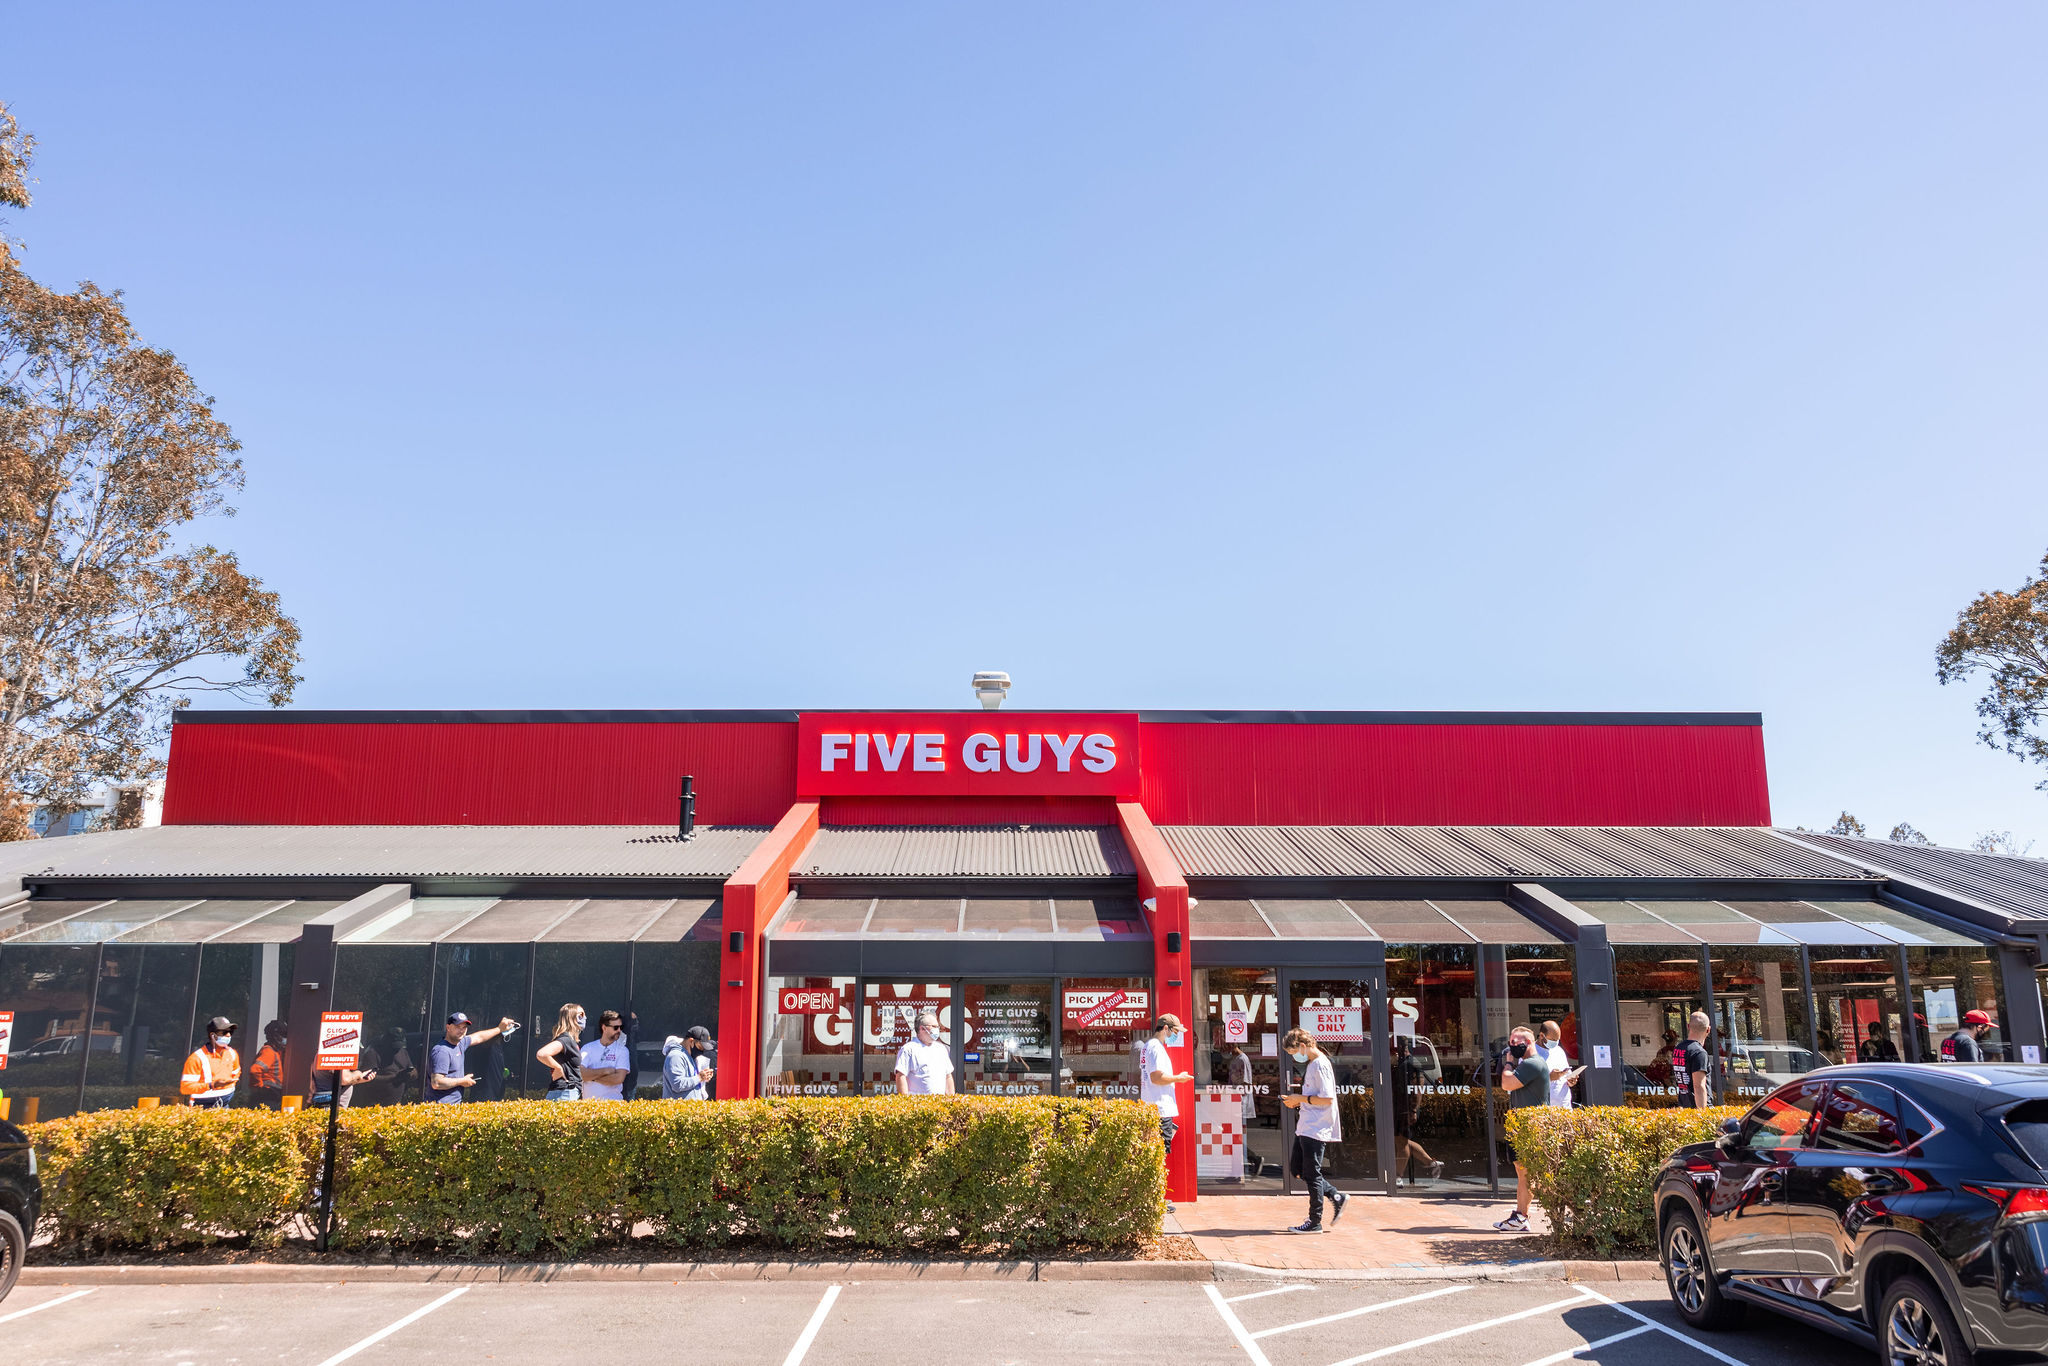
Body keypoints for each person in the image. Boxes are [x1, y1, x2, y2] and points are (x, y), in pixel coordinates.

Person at [1280, 1027, 1346, 1233]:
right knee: (1297, 1168)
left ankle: (1314, 1220)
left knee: (1312, 1173)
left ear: (1302, 1046)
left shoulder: (1319, 1065)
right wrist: (1296, 1101)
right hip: (1306, 1125)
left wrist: (1300, 1099)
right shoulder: (1312, 1064)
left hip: (1317, 1127)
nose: (1294, 1058)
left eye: (1293, 1053)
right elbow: (1315, 1096)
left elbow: (1327, 1098)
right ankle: (1336, 1195)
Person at [1493, 1025, 1550, 1233]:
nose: (1512, 1046)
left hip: (1530, 1127)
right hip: (1521, 1126)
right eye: (1510, 1042)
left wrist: (1508, 1062)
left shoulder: (1533, 1064)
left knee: (1529, 1175)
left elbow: (1507, 1084)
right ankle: (1520, 1216)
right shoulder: (1526, 1064)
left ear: (1530, 1043)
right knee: (1523, 1173)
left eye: (1517, 1043)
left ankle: (1571, 1207)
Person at [1142, 1014, 1196, 1211]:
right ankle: (1154, 1201)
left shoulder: (1150, 1046)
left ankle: (1153, 1199)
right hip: (1160, 1108)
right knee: (1158, 1156)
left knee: (1154, 1155)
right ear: (1165, 1028)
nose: (1175, 1035)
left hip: (1156, 1107)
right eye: (1174, 1031)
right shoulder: (1155, 1047)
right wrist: (1178, 1078)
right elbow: (1156, 1077)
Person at [428, 1011, 517, 1104]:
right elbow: (437, 1083)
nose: (461, 1030)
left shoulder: (460, 1044)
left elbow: (479, 1037)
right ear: (448, 1027)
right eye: (457, 1027)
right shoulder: (442, 1051)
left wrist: (499, 1029)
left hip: (453, 1108)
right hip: (440, 1109)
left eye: (464, 1027)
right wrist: (462, 1081)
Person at [1392, 1036, 1442, 1184]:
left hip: (1407, 1108)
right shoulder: (1403, 1062)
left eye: (1402, 1045)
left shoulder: (1413, 1063)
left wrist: (1413, 1110)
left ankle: (1398, 1177)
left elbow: (1418, 1088)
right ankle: (1431, 1163)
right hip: (1400, 1106)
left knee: (1401, 1142)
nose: (1399, 1048)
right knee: (1402, 1140)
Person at [180, 1016, 242, 1109]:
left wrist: (229, 1084)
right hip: (202, 1108)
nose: (228, 1035)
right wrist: (212, 1085)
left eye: (230, 1032)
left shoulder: (232, 1054)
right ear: (213, 1035)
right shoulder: (197, 1058)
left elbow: (236, 1073)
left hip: (225, 1106)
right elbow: (185, 1088)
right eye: (224, 1032)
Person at [894, 1012, 954, 1095]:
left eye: (937, 1026)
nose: (937, 1029)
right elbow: (900, 1076)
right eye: (934, 1026)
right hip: (917, 1105)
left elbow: (948, 1076)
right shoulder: (908, 1049)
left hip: (940, 1104)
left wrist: (951, 1100)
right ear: (922, 1028)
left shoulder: (941, 1049)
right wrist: (905, 1100)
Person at [578, 1009, 632, 1100]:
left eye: (620, 1027)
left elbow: (618, 1078)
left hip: (612, 1107)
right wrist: (605, 1071)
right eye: (615, 1027)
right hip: (588, 1106)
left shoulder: (623, 1051)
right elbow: (580, 1073)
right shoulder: (588, 1048)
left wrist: (592, 1078)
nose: (619, 1030)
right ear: (604, 1028)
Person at [535, 1004, 585, 1100]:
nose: (584, 1018)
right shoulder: (566, 1039)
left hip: (564, 1092)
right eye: (581, 1015)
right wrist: (558, 1068)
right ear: (572, 1017)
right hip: (565, 1093)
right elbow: (542, 1054)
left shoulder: (569, 1040)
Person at [661, 1027, 716, 1100]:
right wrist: (699, 1077)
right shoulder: (676, 1056)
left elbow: (691, 1080)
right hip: (679, 1109)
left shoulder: (688, 1056)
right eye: (700, 1047)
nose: (702, 1050)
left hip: (688, 1108)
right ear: (691, 1041)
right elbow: (677, 1085)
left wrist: (704, 1077)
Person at [1541, 1020, 1585, 1109]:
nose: (1555, 1043)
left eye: (1558, 1040)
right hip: (1544, 1110)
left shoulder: (1559, 1051)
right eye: (1553, 1040)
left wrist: (1571, 1081)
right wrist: (1549, 1078)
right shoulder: (1531, 1052)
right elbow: (1525, 1083)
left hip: (1565, 1108)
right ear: (1542, 1036)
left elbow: (1567, 1075)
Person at [1675, 1011, 1714, 1108]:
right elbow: (1699, 1086)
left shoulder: (1678, 1048)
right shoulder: (1699, 1053)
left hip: (1684, 1107)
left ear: (1688, 1026)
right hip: (1697, 1108)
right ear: (1708, 1029)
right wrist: (1702, 1115)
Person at [249, 1020, 287, 1110]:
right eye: (284, 1035)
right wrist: (259, 1087)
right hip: (267, 1097)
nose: (285, 1039)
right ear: (275, 1036)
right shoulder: (268, 1052)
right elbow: (255, 1070)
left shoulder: (276, 1052)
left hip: (270, 1096)